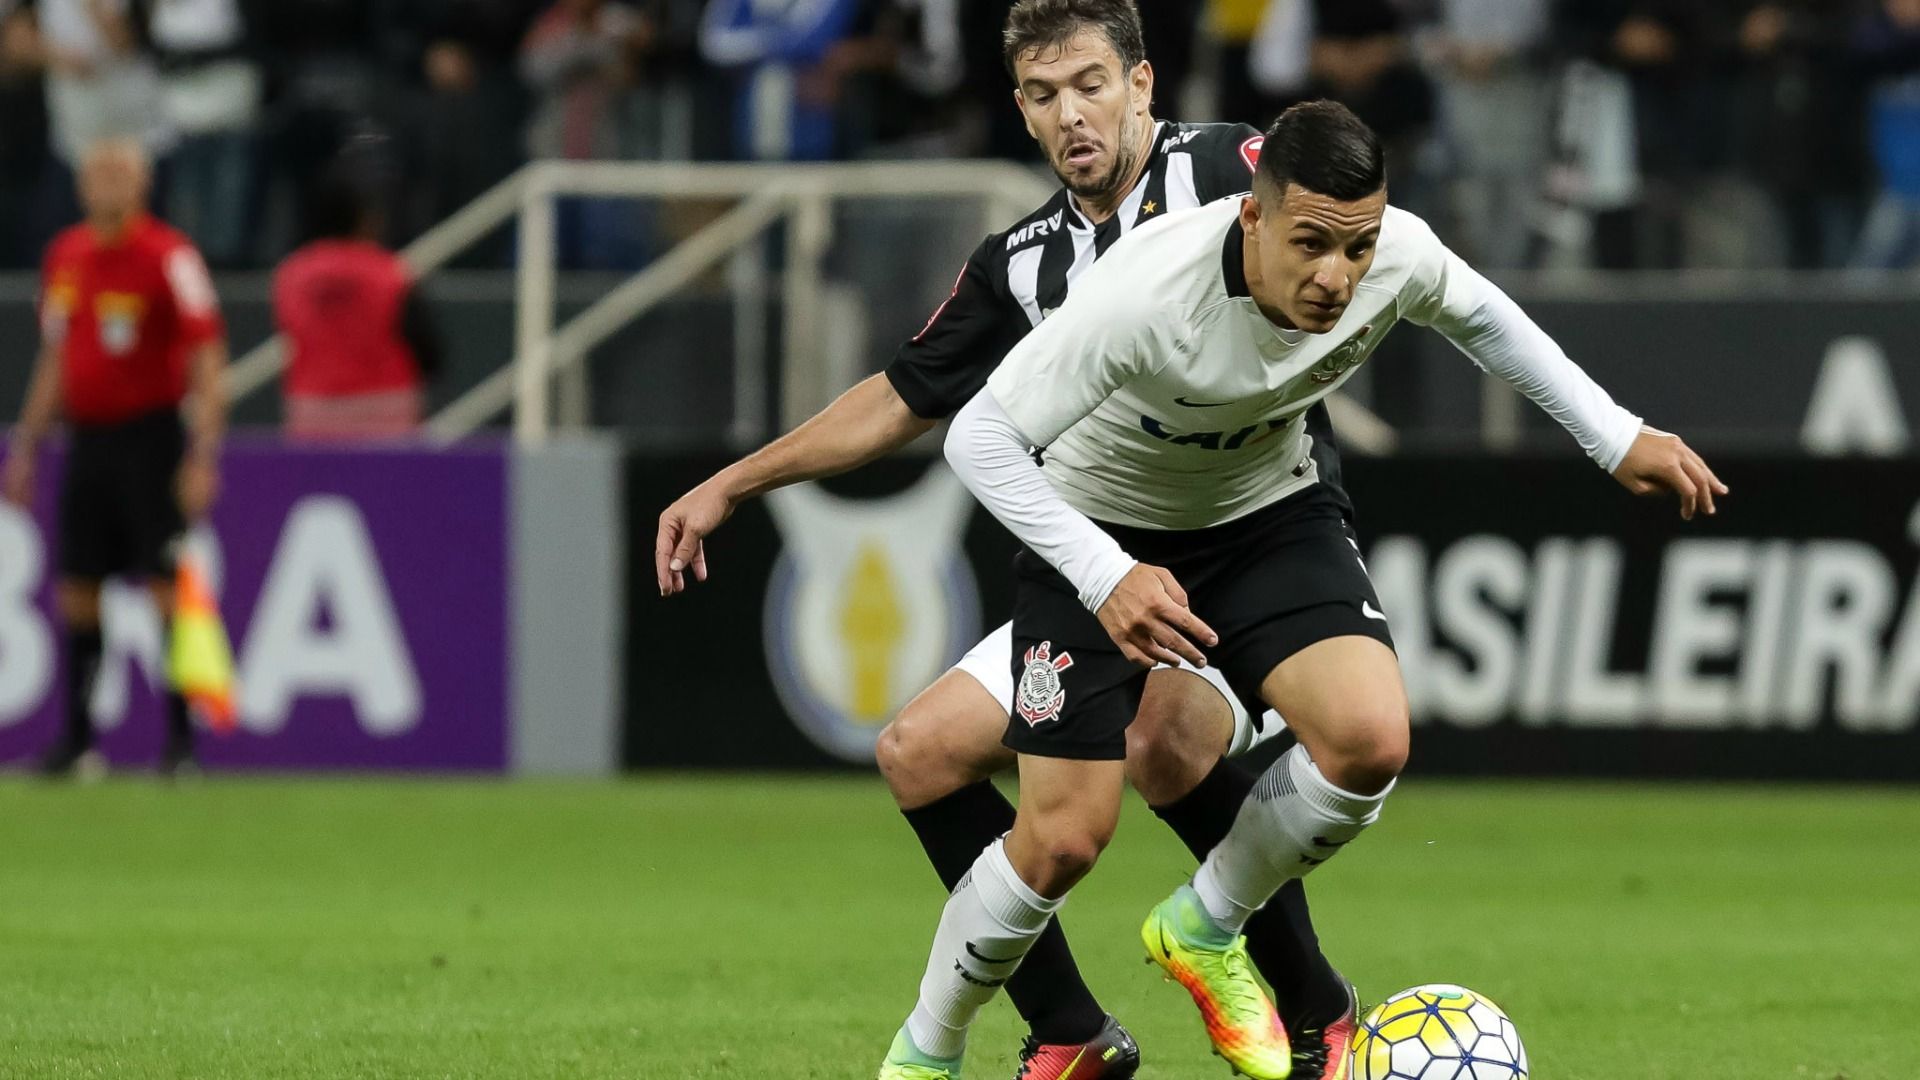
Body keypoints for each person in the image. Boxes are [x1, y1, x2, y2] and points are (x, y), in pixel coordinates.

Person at [908, 100, 1725, 1080]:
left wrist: (1615, 434)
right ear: (1251, 218)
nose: (1338, 276)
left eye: (1358, 246)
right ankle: (927, 1053)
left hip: (1264, 516)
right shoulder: (1146, 295)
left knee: (1370, 739)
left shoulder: (1393, 256)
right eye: (1312, 245)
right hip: (1101, 533)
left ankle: (1204, 926)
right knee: (1063, 839)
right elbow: (978, 440)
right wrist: (1106, 574)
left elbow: (1481, 314)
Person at [659, 4, 1357, 1077]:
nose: (1070, 115)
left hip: (1239, 540)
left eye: (1088, 83)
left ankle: (1317, 1011)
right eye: (1042, 95)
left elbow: (1352, 223)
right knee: (921, 756)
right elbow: (902, 397)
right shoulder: (1021, 262)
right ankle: (1074, 1032)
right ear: (1022, 113)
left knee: (1166, 744)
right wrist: (733, 483)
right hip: (1093, 570)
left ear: (1141, 84)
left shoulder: (1231, 169)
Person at [3, 138, 228, 778]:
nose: (104, 183)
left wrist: (203, 452)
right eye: (95, 172)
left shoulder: (170, 257)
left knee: (163, 586)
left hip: (151, 438)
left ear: (142, 184)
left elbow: (208, 356)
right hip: (89, 439)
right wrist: (27, 444)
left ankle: (181, 746)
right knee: (77, 587)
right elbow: (56, 356)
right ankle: (76, 742)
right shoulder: (65, 257)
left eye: (118, 172)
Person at [274, 162, 441, 440]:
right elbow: (425, 346)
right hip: (387, 412)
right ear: (364, 218)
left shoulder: (291, 274)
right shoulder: (389, 271)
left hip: (311, 413)